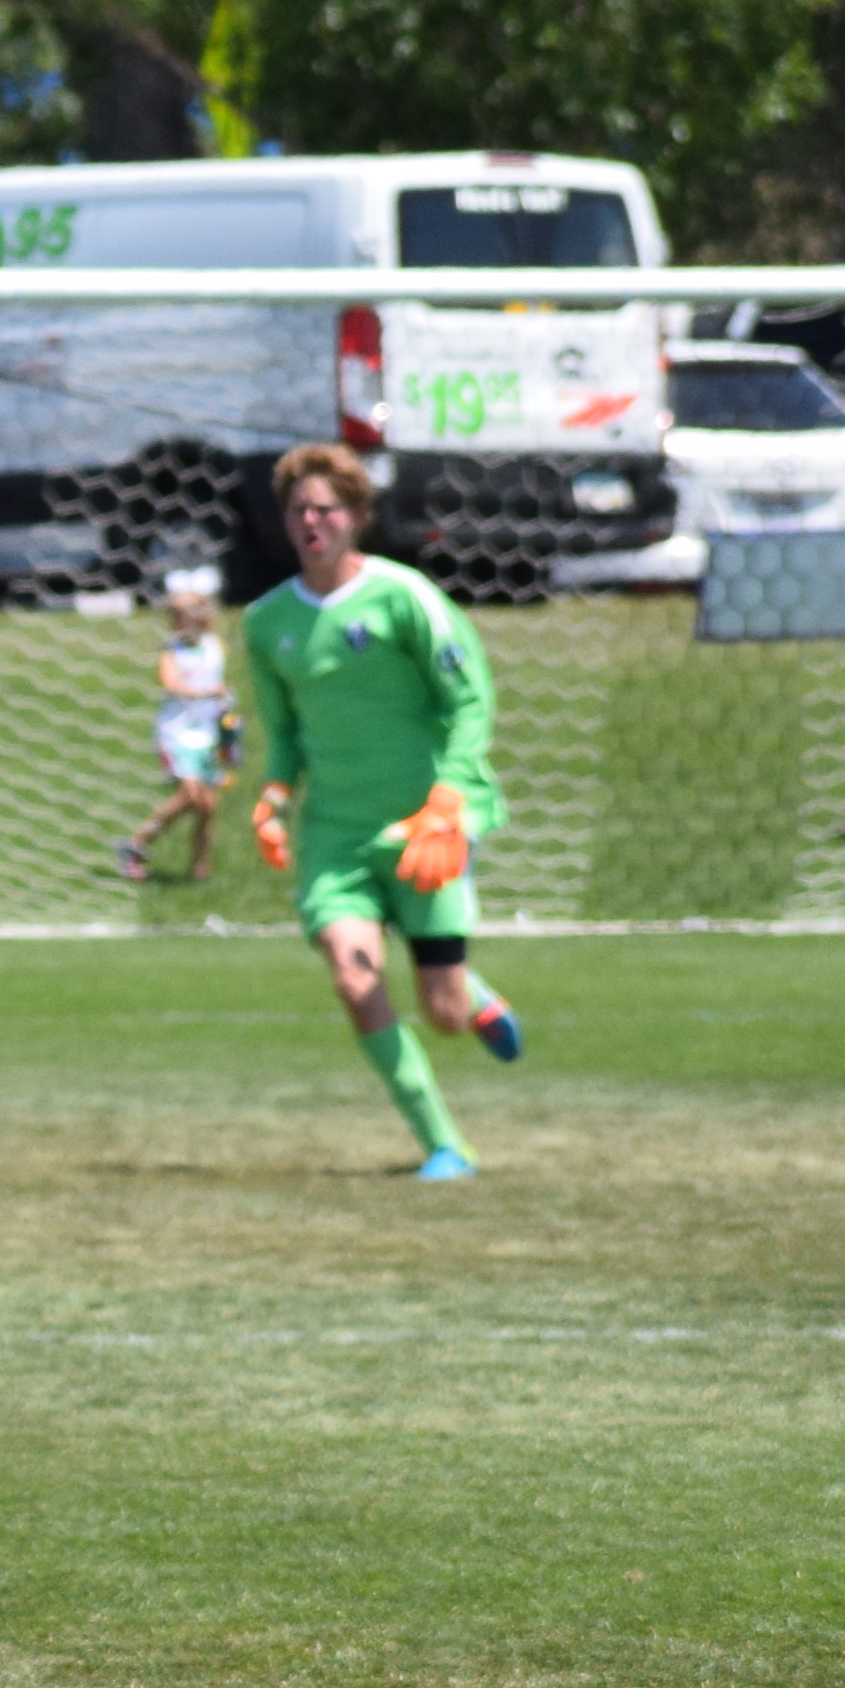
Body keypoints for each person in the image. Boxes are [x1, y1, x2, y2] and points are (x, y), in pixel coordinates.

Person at [242, 438, 520, 1180]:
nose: (311, 522)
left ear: (357, 516)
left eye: (326, 509)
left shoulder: (404, 597)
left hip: (423, 826)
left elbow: (470, 700)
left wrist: (450, 797)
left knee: (443, 1010)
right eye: (299, 510)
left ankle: (474, 997)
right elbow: (287, 733)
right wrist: (273, 797)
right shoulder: (267, 622)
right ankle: (444, 1144)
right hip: (335, 837)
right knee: (354, 978)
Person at [122, 567, 239, 882]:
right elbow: (170, 683)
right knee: (189, 795)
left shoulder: (214, 647)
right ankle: (136, 844)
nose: (177, 621)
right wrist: (205, 693)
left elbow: (217, 682)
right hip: (176, 733)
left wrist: (225, 715)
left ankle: (200, 869)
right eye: (174, 615)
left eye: (183, 615)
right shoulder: (171, 651)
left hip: (207, 734)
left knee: (207, 806)